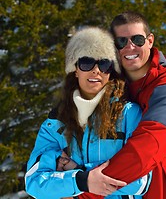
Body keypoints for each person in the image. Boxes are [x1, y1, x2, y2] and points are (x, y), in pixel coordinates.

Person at [79, 11, 166, 199]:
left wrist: (84, 192)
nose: (130, 47)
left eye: (137, 39)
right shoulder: (113, 87)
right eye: (121, 42)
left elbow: (147, 148)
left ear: (150, 41)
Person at [25, 27, 151, 198]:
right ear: (75, 69)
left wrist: (78, 171)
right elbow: (34, 182)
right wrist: (82, 180)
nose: (96, 70)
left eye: (104, 64)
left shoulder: (129, 114)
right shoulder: (55, 123)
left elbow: (141, 181)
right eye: (86, 62)